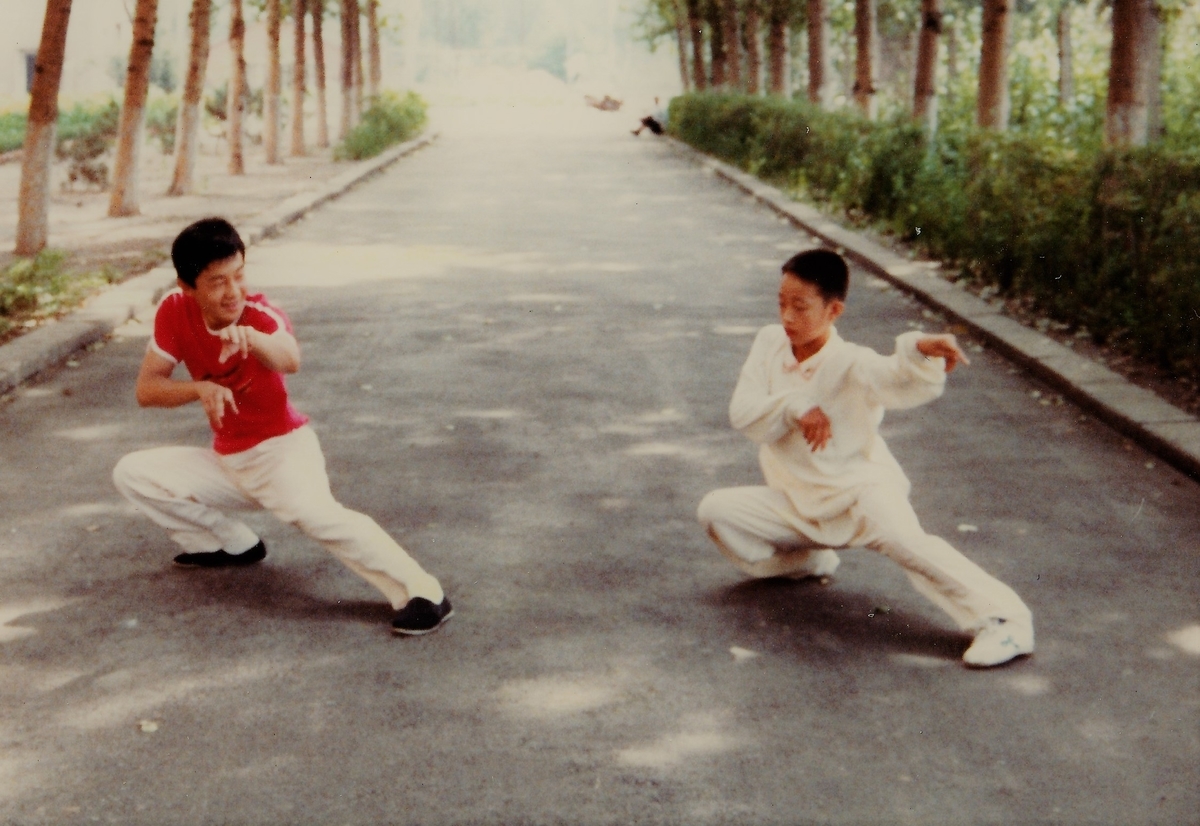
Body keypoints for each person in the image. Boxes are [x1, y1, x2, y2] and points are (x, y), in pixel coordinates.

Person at [112, 217, 452, 636]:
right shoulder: (173, 310)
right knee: (133, 473)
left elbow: (290, 358)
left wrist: (253, 339)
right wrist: (198, 388)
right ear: (187, 287)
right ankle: (229, 544)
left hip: (282, 452)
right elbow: (147, 389)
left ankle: (424, 592)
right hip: (230, 461)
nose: (233, 291)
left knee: (318, 515)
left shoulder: (260, 314)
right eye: (217, 281)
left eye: (239, 275)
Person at [697, 249, 1034, 667]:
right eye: (781, 303)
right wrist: (797, 406)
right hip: (799, 502)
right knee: (716, 513)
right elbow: (743, 414)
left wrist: (919, 350)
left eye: (800, 307)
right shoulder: (770, 342)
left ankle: (1007, 621)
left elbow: (894, 376)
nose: (787, 317)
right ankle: (807, 561)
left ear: (833, 310)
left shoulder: (851, 361)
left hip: (860, 492)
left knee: (910, 545)